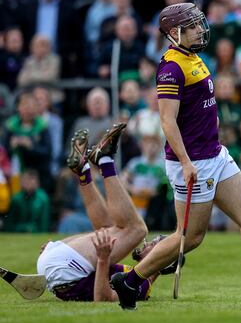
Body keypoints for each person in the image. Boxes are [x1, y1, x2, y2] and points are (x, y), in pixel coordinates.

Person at [110, 2, 241, 310]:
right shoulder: (170, 68)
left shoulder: (193, 57)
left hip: (216, 155)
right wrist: (185, 162)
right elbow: (167, 121)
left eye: (198, 24)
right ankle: (130, 282)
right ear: (174, 33)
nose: (199, 30)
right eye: (192, 26)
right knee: (190, 237)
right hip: (193, 162)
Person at [36, 124, 165, 301]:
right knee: (108, 229)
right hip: (61, 265)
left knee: (138, 230)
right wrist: (60, 246)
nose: (149, 244)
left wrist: (103, 259)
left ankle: (105, 160)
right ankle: (84, 171)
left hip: (66, 271)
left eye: (155, 245)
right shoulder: (133, 274)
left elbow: (102, 298)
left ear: (164, 261)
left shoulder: (142, 287)